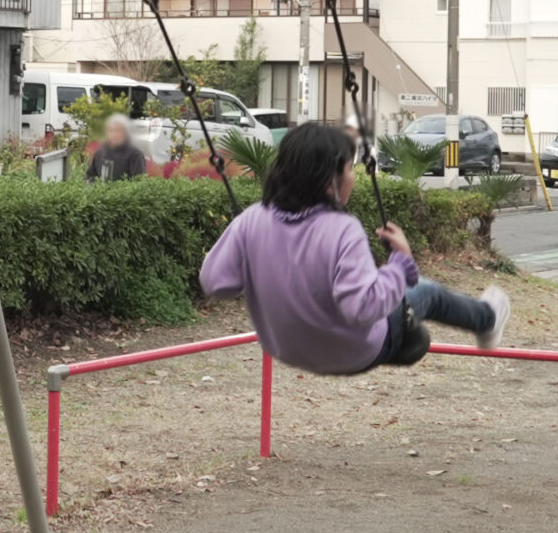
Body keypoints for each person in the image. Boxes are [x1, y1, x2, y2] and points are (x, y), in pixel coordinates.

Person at [200, 120, 509, 376]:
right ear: (328, 181)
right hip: (352, 353)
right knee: (427, 295)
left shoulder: (252, 219)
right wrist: (400, 263)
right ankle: (487, 318)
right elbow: (361, 308)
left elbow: (216, 282)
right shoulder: (341, 229)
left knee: (416, 333)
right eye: (349, 169)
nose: (353, 178)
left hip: (286, 348)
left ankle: (418, 331)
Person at [84, 114, 149, 182]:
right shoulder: (99, 153)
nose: (114, 135)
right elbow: (90, 176)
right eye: (111, 131)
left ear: (126, 132)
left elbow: (139, 183)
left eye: (118, 131)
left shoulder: (135, 155)